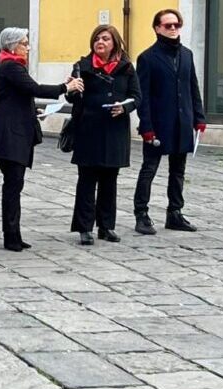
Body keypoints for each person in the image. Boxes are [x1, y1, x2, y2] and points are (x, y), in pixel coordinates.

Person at [0, 27, 83, 251]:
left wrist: (33, 112)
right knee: (12, 185)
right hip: (10, 135)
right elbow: (34, 88)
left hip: (14, 131)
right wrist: (65, 87)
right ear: (12, 46)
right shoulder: (11, 66)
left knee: (15, 184)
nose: (28, 47)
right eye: (24, 43)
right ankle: (10, 235)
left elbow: (19, 96)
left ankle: (14, 233)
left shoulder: (13, 66)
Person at [67, 25, 141, 245]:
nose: (100, 42)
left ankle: (106, 226)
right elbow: (73, 100)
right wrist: (72, 89)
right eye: (97, 38)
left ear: (114, 43)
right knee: (87, 180)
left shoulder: (126, 67)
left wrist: (124, 107)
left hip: (115, 131)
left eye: (106, 39)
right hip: (88, 129)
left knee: (110, 180)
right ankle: (84, 228)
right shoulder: (82, 66)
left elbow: (137, 97)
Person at [133, 8, 205, 235]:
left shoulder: (187, 54)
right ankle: (141, 214)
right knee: (149, 169)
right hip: (158, 124)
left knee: (178, 170)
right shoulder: (147, 58)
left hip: (182, 121)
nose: (173, 29)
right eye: (168, 25)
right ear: (157, 28)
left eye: (176, 25)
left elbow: (192, 87)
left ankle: (175, 212)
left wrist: (199, 117)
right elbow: (142, 95)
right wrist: (146, 126)